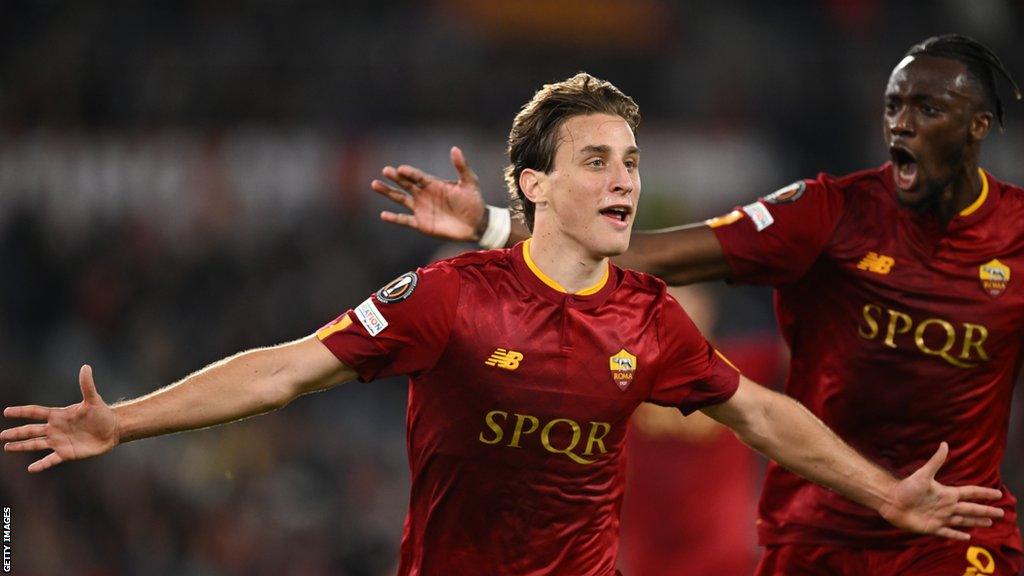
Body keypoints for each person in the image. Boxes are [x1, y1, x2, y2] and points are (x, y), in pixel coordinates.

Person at [2, 73, 1006, 576]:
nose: (624, 181)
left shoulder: (650, 320)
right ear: (534, 183)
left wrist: (889, 496)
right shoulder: (448, 298)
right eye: (597, 161)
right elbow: (282, 372)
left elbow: (763, 416)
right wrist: (122, 421)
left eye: (631, 160)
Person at [368, 36, 1024, 574]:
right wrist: (492, 230)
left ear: (978, 127)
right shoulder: (626, 352)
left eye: (926, 108)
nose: (902, 123)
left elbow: (782, 402)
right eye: (893, 105)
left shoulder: (719, 357)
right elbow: (642, 258)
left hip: (919, 532)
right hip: (785, 546)